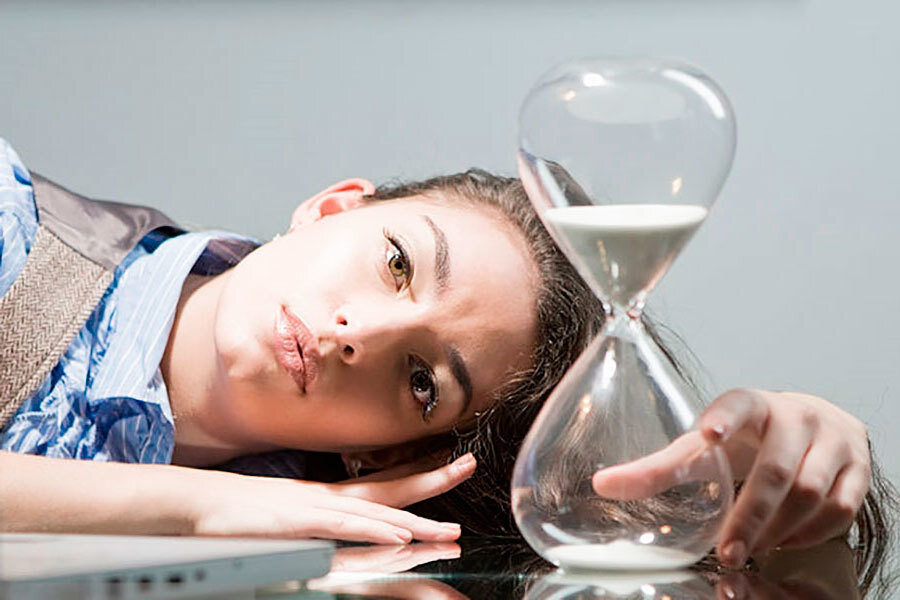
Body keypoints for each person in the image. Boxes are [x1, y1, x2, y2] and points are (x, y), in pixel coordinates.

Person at [0, 138, 894, 593]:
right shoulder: (12, 226)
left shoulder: (324, 537)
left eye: (421, 382)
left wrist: (794, 467)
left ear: (390, 450)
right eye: (397, 263)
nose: (359, 334)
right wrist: (198, 508)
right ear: (332, 207)